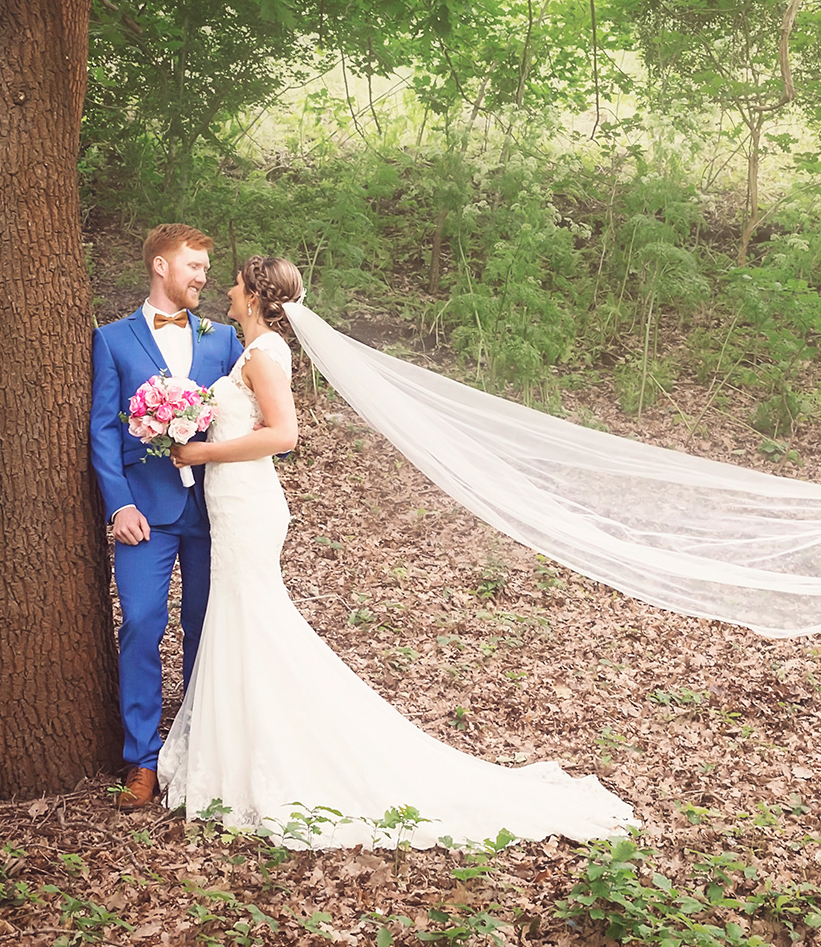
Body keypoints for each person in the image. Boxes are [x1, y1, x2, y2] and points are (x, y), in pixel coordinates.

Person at [159, 255, 634, 847]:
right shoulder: (250, 353)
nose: (226, 292)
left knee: (252, 622)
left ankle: (276, 757)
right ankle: (237, 752)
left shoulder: (267, 355)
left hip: (248, 505)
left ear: (253, 297)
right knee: (240, 623)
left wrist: (201, 454)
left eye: (234, 284)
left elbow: (284, 436)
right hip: (231, 505)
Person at [90, 224, 245, 811]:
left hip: (213, 510)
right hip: (144, 515)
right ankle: (143, 760)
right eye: (194, 267)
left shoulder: (223, 338)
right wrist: (118, 502)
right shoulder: (113, 339)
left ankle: (199, 752)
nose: (203, 278)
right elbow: (103, 427)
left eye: (207, 269)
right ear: (160, 266)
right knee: (141, 626)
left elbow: (244, 416)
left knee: (208, 629)